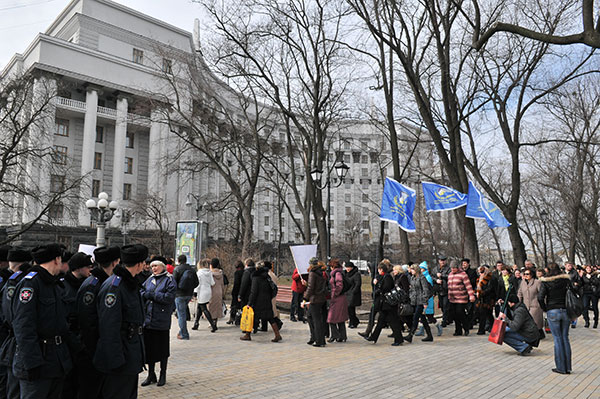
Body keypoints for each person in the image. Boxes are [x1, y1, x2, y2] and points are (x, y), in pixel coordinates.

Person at [12, 244, 75, 398]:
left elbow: (59, 324)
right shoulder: (31, 284)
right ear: (56, 259)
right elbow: (23, 326)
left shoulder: (52, 284)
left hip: (55, 361)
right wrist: (32, 363)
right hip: (38, 361)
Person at [94, 243, 148, 398]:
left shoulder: (130, 283)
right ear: (139, 264)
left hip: (130, 354)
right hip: (120, 358)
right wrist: (116, 360)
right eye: (144, 262)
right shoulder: (115, 287)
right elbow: (109, 327)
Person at [76, 245, 120, 399]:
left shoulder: (104, 281)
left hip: (100, 348)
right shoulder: (92, 284)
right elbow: (87, 321)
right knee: (90, 390)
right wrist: (95, 349)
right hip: (91, 350)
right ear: (115, 263)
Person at [0, 246, 32, 399]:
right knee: (12, 387)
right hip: (11, 340)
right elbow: (11, 316)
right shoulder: (14, 282)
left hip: (11, 339)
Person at [61, 252, 93, 399]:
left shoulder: (88, 285)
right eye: (88, 267)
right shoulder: (63, 286)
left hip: (84, 342)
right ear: (78, 268)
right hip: (69, 343)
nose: (90, 270)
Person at [140, 259, 176, 388]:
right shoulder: (149, 279)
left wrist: (152, 295)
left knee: (162, 349)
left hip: (161, 320)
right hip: (148, 320)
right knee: (149, 349)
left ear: (162, 266)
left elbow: (169, 298)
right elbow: (142, 292)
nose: (153, 268)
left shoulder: (169, 279)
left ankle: (163, 373)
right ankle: (151, 374)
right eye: (152, 266)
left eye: (156, 266)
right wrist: (148, 295)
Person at [538, 262, 573, 375]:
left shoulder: (546, 281)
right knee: (565, 338)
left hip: (552, 310)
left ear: (548, 270)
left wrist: (545, 308)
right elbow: (574, 291)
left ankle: (561, 367)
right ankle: (567, 367)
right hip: (565, 310)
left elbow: (540, 297)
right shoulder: (566, 280)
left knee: (557, 339)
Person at [364, 261, 403, 346]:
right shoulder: (383, 277)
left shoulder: (387, 277)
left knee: (393, 322)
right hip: (384, 304)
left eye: (379, 270)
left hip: (388, 304)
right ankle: (374, 337)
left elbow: (386, 288)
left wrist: (377, 284)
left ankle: (399, 339)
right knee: (380, 321)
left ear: (381, 270)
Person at [241, 261, 282, 342]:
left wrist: (249, 303)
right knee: (270, 318)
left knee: (252, 317)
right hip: (267, 300)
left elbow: (254, 291)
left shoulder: (256, 278)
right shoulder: (267, 276)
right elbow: (271, 288)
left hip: (258, 302)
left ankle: (247, 335)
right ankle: (277, 335)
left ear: (257, 268)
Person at [406, 264, 434, 343]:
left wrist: (425, 301)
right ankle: (429, 335)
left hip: (421, 301)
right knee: (423, 318)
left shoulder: (422, 278)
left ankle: (410, 335)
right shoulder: (412, 278)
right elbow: (412, 289)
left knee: (415, 318)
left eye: (412, 269)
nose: (411, 271)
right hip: (414, 301)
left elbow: (425, 290)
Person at [172, 255, 197, 340]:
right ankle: (181, 331)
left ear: (178, 261)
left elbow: (173, 282)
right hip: (189, 294)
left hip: (179, 295)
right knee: (182, 313)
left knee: (181, 314)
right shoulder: (192, 269)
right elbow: (197, 282)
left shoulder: (177, 269)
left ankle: (184, 334)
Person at [448, 260, 475, 336]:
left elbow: (468, 286)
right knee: (454, 315)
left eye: (454, 268)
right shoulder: (450, 275)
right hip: (452, 298)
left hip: (461, 297)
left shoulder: (463, 275)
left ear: (457, 267)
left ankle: (466, 327)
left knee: (460, 313)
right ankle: (458, 330)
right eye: (451, 268)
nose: (452, 270)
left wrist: (471, 295)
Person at [304, 258, 328, 347]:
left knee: (316, 320)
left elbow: (311, 288)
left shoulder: (312, 273)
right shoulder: (320, 272)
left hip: (315, 299)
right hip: (321, 298)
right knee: (310, 317)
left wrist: (305, 298)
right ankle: (314, 337)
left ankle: (319, 341)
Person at [517, 267, 545, 338]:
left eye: (527, 274)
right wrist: (518, 302)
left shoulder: (537, 282)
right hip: (526, 305)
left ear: (532, 274)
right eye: (524, 274)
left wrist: (542, 304)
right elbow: (520, 293)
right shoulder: (522, 282)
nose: (526, 275)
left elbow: (542, 294)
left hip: (535, 305)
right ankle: (535, 335)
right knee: (528, 322)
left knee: (536, 322)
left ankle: (539, 334)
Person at [326, 259, 348, 343]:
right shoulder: (339, 272)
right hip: (340, 298)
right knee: (340, 318)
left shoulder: (337, 273)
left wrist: (335, 293)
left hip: (337, 298)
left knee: (331, 318)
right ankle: (342, 336)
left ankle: (335, 335)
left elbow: (339, 284)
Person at [192, 259, 217, 332]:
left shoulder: (199, 273)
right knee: (199, 307)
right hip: (208, 291)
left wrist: (195, 292)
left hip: (201, 291)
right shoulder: (209, 273)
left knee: (203, 308)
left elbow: (197, 284)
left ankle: (213, 325)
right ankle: (196, 324)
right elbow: (213, 283)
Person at [475, 265, 496, 335]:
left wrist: (481, 293)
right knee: (487, 314)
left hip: (488, 298)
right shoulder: (480, 278)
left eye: (482, 272)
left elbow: (490, 288)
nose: (480, 273)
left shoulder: (491, 278)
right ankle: (492, 328)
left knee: (485, 314)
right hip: (481, 299)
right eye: (479, 272)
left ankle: (482, 329)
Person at [208, 258, 225, 331]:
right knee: (217, 306)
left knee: (211, 306)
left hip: (211, 291)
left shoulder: (210, 274)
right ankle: (215, 321)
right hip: (219, 291)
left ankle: (211, 322)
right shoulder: (221, 273)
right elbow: (222, 284)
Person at [434, 256, 451, 327]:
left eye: (444, 260)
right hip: (439, 289)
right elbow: (432, 276)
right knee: (441, 305)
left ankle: (445, 320)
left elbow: (450, 276)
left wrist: (442, 276)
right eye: (441, 260)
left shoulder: (448, 268)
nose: (442, 262)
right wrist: (436, 280)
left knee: (445, 305)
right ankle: (447, 318)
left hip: (446, 289)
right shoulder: (435, 269)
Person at [344, 261, 362, 329]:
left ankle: (353, 322)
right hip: (347, 293)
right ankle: (355, 321)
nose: (347, 269)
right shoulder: (345, 274)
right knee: (348, 309)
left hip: (353, 294)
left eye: (349, 267)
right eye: (346, 267)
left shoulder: (356, 274)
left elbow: (358, 284)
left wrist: (353, 291)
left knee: (351, 309)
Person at [267, 261, 283, 330]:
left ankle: (277, 323)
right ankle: (277, 323)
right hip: (273, 295)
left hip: (270, 295)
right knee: (272, 311)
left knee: (271, 313)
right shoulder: (273, 274)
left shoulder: (268, 275)